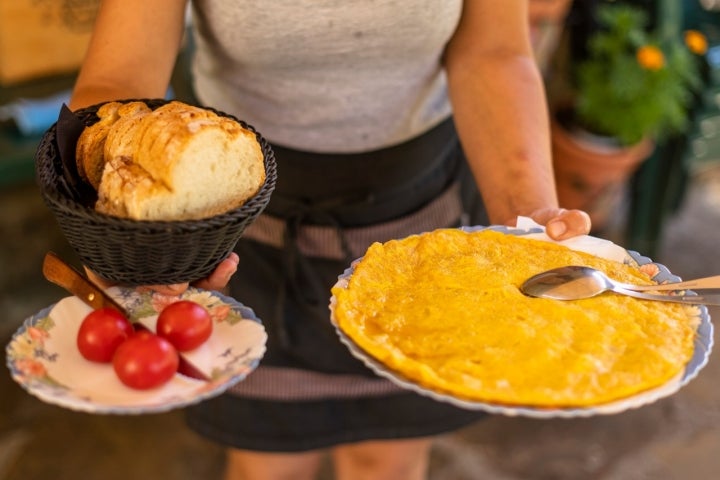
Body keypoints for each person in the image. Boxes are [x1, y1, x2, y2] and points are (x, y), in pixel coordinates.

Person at [70, 1, 592, 479]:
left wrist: (526, 220)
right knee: (268, 461)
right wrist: (118, 234)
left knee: (387, 459)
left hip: (422, 232)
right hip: (241, 231)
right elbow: (121, 76)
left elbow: (493, 51)